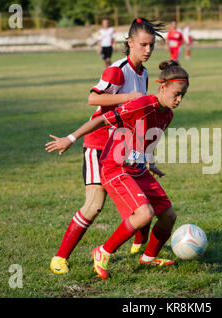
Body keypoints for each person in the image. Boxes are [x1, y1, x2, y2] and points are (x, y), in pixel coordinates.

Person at [45, 60, 189, 279]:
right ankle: (102, 251)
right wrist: (71, 138)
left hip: (137, 169)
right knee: (143, 214)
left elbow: (147, 141)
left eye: (182, 96)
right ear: (163, 87)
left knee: (169, 216)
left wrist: (151, 163)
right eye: (176, 94)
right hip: (116, 167)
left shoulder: (167, 114)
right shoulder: (141, 104)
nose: (178, 100)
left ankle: (148, 258)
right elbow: (103, 119)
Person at [49, 18, 165, 275]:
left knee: (142, 198)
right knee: (94, 205)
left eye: (151, 46)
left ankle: (138, 244)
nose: (147, 50)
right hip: (98, 144)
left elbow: (137, 114)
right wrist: (127, 97)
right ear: (130, 43)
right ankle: (60, 257)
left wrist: (146, 154)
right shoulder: (117, 70)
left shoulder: (143, 73)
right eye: (143, 45)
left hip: (122, 146)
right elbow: (93, 98)